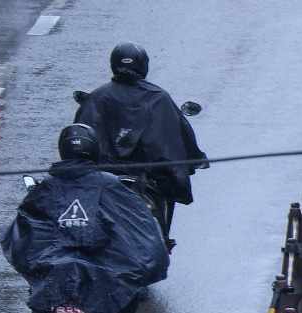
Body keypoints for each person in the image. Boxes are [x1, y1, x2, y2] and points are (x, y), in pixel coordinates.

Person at [2, 124, 169, 313]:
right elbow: (136, 221)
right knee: (129, 280)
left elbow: (30, 220)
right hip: (96, 259)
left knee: (38, 280)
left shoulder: (49, 185)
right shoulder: (109, 183)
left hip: (56, 258)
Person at [71, 43, 206, 226]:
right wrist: (196, 158)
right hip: (146, 179)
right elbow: (182, 133)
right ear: (143, 65)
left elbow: (77, 138)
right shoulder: (159, 97)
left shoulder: (96, 98)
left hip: (104, 179)